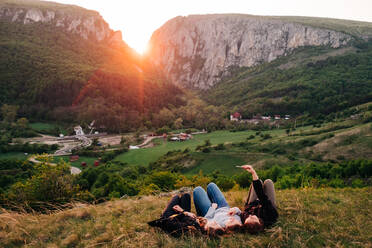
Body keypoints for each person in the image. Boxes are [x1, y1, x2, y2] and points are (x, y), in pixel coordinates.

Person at [239, 165, 278, 233]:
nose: (250, 215)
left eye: (248, 218)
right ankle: (260, 183)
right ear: (260, 222)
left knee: (258, 182)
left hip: (252, 204)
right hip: (267, 204)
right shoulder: (269, 214)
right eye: (253, 217)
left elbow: (241, 213)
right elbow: (261, 195)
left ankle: (258, 183)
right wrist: (253, 173)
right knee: (268, 182)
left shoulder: (245, 218)